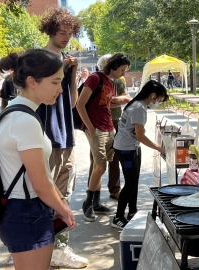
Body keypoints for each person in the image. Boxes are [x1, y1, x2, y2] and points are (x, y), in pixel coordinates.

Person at [0, 49, 75, 270]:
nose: (60, 89)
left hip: (24, 210)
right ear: (32, 81)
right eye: (55, 82)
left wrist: (58, 201)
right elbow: (40, 183)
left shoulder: (17, 112)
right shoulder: (25, 120)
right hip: (26, 212)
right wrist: (64, 210)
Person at [37, 7, 88, 268]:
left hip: (66, 135)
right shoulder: (39, 59)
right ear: (50, 29)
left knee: (64, 192)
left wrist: (73, 74)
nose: (66, 36)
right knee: (46, 194)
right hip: (46, 137)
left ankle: (60, 248)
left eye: (69, 32)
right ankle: (42, 248)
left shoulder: (67, 60)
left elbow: (71, 104)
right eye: (61, 32)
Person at [76, 53, 131, 221]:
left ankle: (97, 202)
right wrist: (90, 127)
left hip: (108, 128)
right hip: (96, 128)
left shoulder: (112, 83)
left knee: (103, 167)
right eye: (122, 70)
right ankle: (88, 203)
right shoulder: (94, 78)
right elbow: (80, 104)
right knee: (99, 166)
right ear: (113, 66)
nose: (123, 73)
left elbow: (106, 104)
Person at [111, 80, 168, 228]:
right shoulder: (139, 108)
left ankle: (132, 212)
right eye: (158, 100)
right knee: (130, 183)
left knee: (134, 180)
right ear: (153, 95)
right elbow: (141, 136)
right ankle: (118, 217)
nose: (157, 104)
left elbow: (137, 133)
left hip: (132, 147)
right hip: (125, 149)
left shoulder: (138, 104)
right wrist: (160, 149)